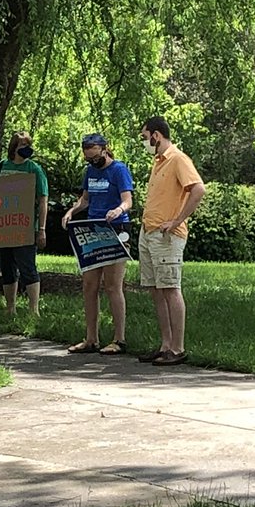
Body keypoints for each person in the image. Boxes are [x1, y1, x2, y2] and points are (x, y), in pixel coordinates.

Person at [137, 116, 206, 366]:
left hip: (167, 236)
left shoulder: (178, 158)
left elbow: (198, 189)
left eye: (145, 137)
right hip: (149, 232)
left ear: (156, 135)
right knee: (156, 289)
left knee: (170, 288)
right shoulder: (158, 162)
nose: (144, 142)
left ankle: (178, 348)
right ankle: (165, 345)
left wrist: (176, 221)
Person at [60, 133, 134, 356]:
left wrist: (118, 210)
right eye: (88, 158)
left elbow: (128, 200)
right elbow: (85, 199)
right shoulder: (90, 172)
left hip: (116, 229)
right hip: (93, 229)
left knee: (112, 286)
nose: (93, 162)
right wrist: (72, 211)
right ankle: (91, 338)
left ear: (104, 149)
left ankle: (119, 339)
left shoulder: (119, 170)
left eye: (95, 157)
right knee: (89, 285)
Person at [0, 131, 49, 316]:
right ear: (14, 147)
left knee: (27, 267)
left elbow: (43, 200)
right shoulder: (3, 165)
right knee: (7, 268)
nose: (27, 149)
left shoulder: (34, 169)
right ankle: (10, 308)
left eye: (28, 145)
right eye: (23, 145)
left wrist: (41, 229)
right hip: (3, 225)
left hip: (25, 226)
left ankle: (34, 311)